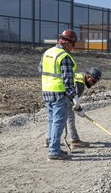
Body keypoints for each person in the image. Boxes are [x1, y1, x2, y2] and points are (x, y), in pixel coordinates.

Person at [39, 29, 82, 160]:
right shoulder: (64, 56)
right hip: (59, 93)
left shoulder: (47, 53)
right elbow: (68, 81)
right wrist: (75, 97)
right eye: (73, 44)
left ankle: (54, 147)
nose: (73, 47)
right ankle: (54, 151)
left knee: (52, 121)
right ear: (67, 42)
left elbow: (40, 69)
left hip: (47, 91)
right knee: (58, 122)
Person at [43, 67, 102, 149]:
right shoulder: (80, 83)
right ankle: (74, 140)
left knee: (54, 119)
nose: (93, 84)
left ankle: (49, 140)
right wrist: (80, 110)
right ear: (88, 77)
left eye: (96, 82)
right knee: (69, 118)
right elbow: (73, 100)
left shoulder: (79, 76)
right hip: (62, 98)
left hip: (52, 94)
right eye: (93, 81)